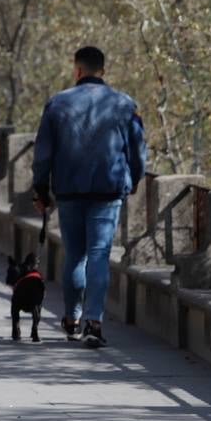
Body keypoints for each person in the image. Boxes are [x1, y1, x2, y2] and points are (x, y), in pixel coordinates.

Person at [32, 46, 147, 349]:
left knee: (75, 255)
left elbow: (42, 153)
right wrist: (134, 179)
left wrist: (40, 189)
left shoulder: (57, 104)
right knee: (99, 254)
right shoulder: (125, 104)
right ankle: (93, 322)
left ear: (77, 70)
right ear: (103, 71)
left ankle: (71, 317)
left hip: (69, 190)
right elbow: (137, 150)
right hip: (108, 190)